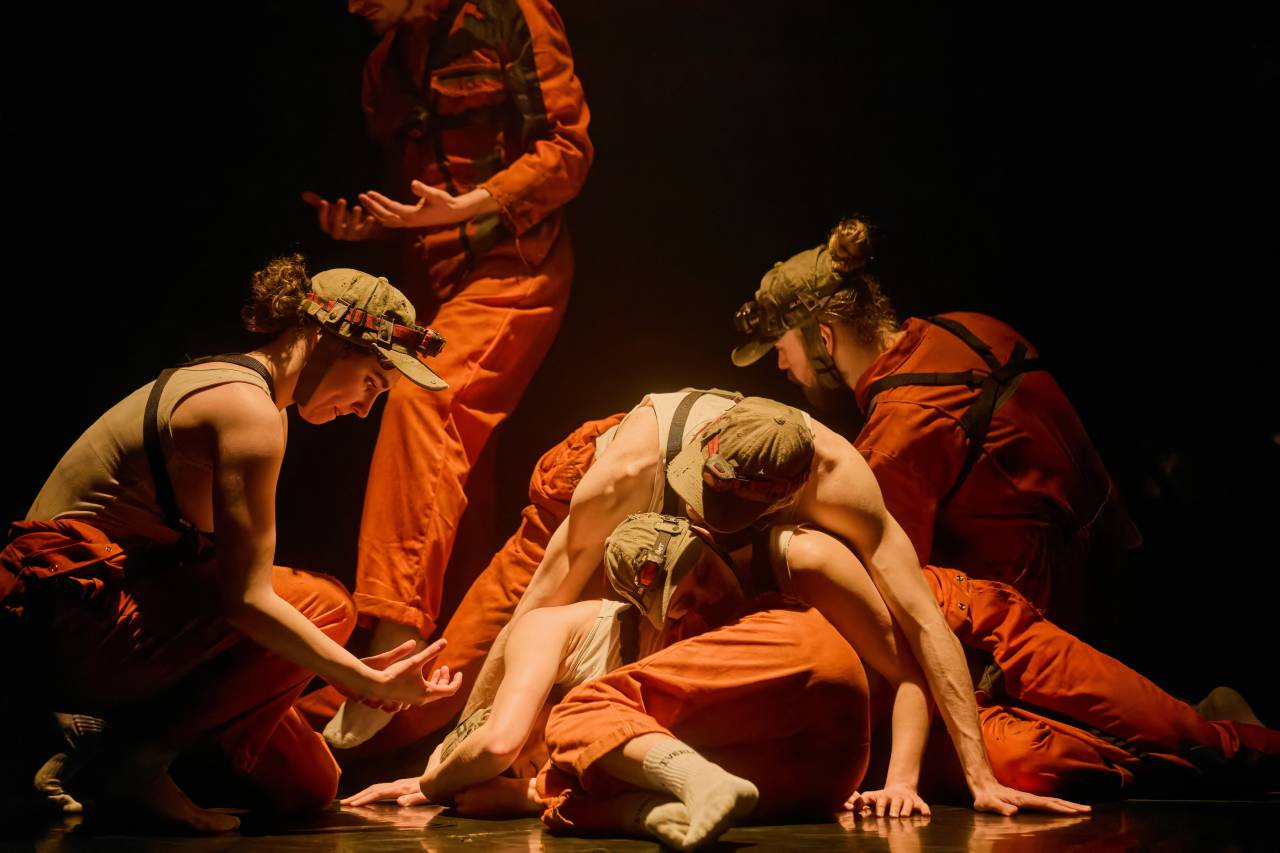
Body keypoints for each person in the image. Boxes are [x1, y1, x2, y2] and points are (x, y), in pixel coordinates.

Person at [452, 389, 1088, 816]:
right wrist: (459, 747)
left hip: (867, 626)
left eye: (731, 514)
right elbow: (539, 598)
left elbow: (919, 633)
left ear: (789, 495)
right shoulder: (631, 470)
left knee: (1027, 742)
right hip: (773, 687)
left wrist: (967, 778)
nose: (708, 518)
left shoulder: (828, 512)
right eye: (701, 496)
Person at [0, 258, 461, 833]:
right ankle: (133, 766)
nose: (366, 409)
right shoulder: (246, 410)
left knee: (310, 784)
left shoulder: (263, 405)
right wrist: (363, 681)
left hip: (117, 620)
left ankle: (102, 746)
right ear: (323, 338)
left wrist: (346, 666)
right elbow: (248, 601)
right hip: (61, 625)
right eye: (371, 382)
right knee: (324, 606)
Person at [300, 0, 593, 750]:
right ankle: (441, 703)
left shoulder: (507, 15)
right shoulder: (384, 63)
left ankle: (390, 652)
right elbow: (406, 194)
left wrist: (471, 202)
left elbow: (569, 149)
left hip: (512, 265)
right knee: (451, 491)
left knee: (419, 404)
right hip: (429, 282)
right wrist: (371, 223)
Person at [343, 512, 880, 850]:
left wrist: (435, 783)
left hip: (813, 665)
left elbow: (499, 741)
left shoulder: (556, 632)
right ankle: (673, 802)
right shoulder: (614, 739)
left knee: (580, 712)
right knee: (569, 804)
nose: (707, 601)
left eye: (707, 575)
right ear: (649, 613)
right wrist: (532, 793)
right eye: (683, 602)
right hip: (812, 778)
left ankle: (697, 783)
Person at [731, 217, 1141, 627]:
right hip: (1123, 557)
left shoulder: (895, 436)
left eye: (782, 349)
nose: (782, 364)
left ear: (823, 338)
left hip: (1055, 623)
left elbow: (878, 586)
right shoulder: (968, 325)